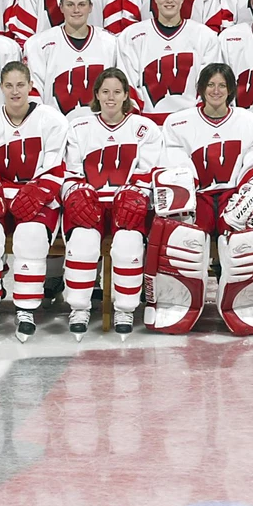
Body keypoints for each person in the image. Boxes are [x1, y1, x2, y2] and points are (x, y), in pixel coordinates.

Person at [146, 63, 253, 335]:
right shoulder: (178, 123)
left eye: (222, 85)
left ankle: (249, 303)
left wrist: (249, 199)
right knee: (178, 231)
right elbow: (174, 168)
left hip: (235, 194)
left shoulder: (252, 123)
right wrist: (185, 201)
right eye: (210, 85)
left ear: (231, 89)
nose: (216, 91)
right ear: (201, 89)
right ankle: (174, 301)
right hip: (199, 196)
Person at [0, 62, 68, 342]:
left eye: (20, 85)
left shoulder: (52, 120)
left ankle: (26, 308)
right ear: (1, 87)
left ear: (30, 85)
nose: (15, 91)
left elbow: (55, 167)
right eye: (9, 86)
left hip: (37, 196)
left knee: (31, 235)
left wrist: (38, 192)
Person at [61, 68, 163, 339]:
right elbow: (70, 173)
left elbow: (148, 173)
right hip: (91, 202)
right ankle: (79, 308)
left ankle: (125, 309)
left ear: (126, 95)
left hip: (126, 204)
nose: (111, 97)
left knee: (128, 243)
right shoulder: (79, 127)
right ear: (96, 94)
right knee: (83, 242)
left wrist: (136, 196)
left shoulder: (144, 129)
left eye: (117, 92)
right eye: (105, 91)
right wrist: (77, 194)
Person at [117, 0, 222, 124]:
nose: (169, 0)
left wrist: (198, 122)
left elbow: (208, 86)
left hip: (190, 123)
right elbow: (129, 86)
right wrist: (139, 124)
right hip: (149, 124)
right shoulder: (132, 36)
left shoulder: (204, 36)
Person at [24, 0, 122, 122]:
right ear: (61, 7)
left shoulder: (110, 43)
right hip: (56, 128)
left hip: (100, 128)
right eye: (70, 5)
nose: (76, 10)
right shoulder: (40, 44)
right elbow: (34, 93)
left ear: (90, 7)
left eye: (82, 4)